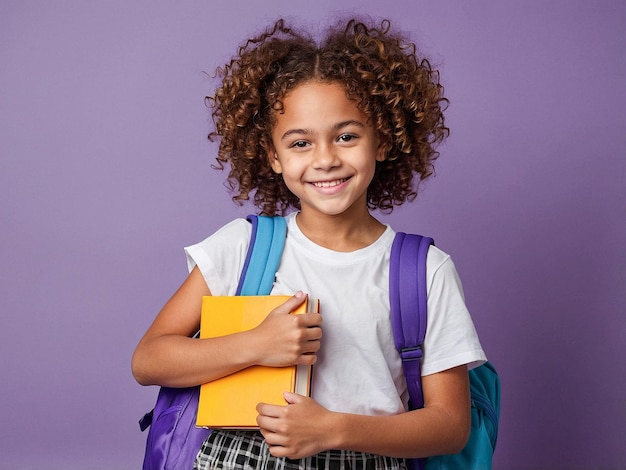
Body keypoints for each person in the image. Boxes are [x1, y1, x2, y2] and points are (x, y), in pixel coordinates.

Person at [132, 17, 487, 470]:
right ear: (273, 157)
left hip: (367, 455)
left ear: (381, 140)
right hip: (239, 454)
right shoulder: (243, 246)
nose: (325, 159)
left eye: (346, 136)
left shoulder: (425, 270)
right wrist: (255, 344)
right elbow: (149, 360)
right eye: (300, 143)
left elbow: (449, 424)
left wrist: (333, 429)